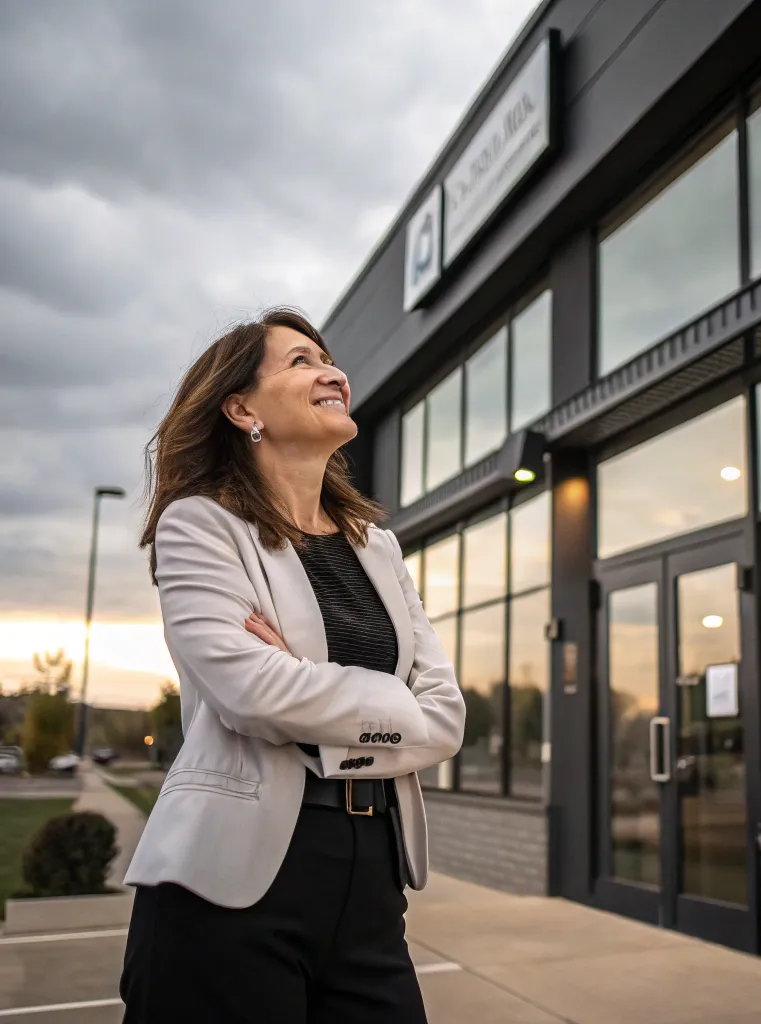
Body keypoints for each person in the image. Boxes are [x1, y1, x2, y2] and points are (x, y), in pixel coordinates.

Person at [119, 307, 465, 1023]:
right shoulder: (201, 524)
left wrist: (306, 688)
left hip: (371, 875)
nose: (329, 371)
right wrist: (386, 708)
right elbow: (251, 693)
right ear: (241, 407)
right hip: (231, 883)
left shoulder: (379, 547)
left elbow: (446, 718)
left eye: (327, 357)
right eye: (300, 361)